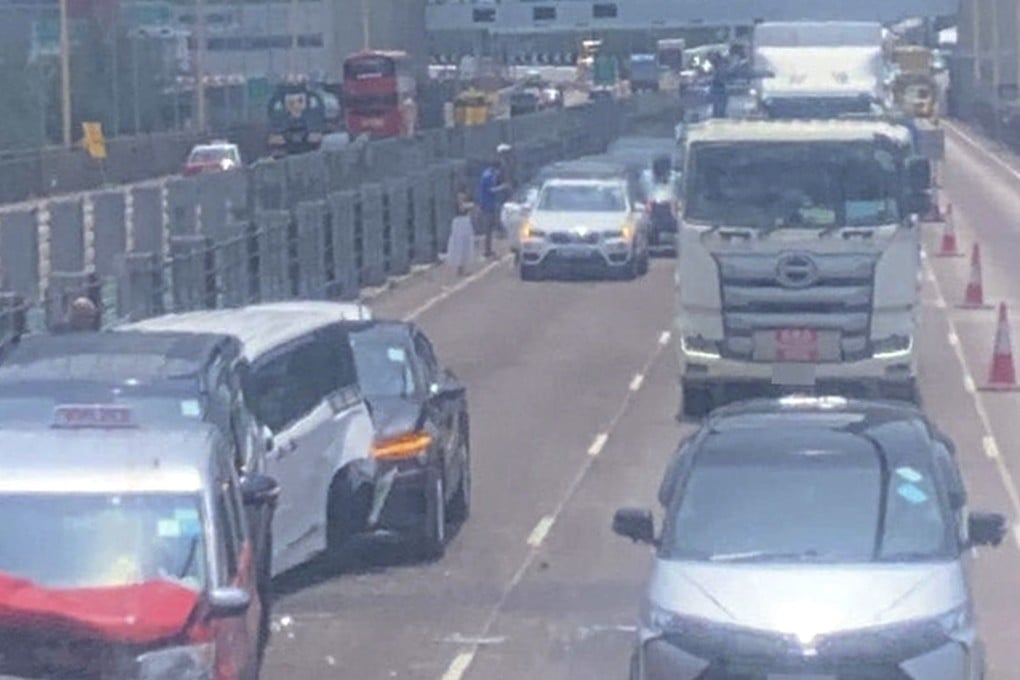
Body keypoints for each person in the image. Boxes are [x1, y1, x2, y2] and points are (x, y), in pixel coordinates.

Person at [476, 156, 510, 258]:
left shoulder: (490, 174)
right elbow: (490, 190)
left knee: (490, 229)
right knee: (488, 229)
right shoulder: (488, 176)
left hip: (490, 204)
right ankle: (487, 251)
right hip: (487, 205)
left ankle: (488, 250)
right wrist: (502, 187)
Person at [447, 193, 476, 277]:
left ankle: (463, 267)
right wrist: (470, 206)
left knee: (466, 245)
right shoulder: (457, 205)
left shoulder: (465, 204)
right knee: (459, 245)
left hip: (465, 222)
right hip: (459, 223)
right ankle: (459, 268)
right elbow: (462, 209)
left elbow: (471, 208)